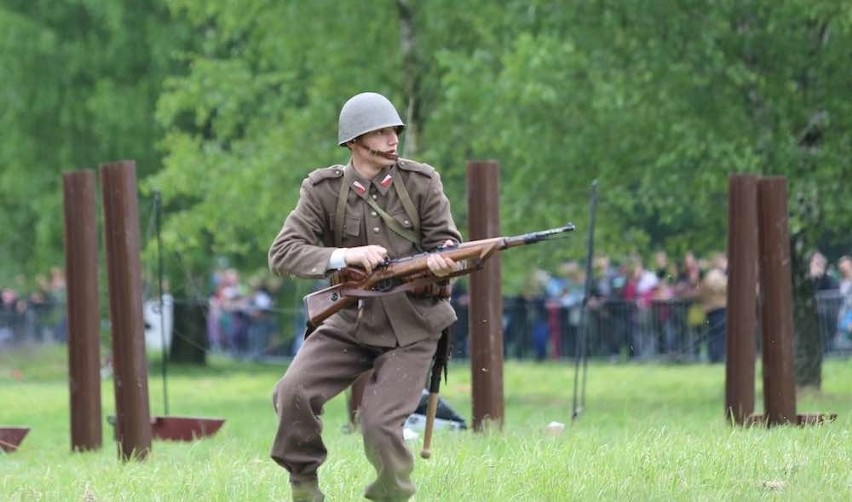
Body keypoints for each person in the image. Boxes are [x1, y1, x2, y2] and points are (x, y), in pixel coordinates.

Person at [267, 91, 461, 502]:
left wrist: (444, 262)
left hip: (414, 324)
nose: (393, 139)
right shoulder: (323, 190)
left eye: (395, 130)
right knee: (293, 393)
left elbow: (448, 243)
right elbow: (283, 253)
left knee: (378, 425)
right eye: (381, 132)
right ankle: (304, 487)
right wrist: (344, 255)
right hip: (351, 320)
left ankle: (391, 494)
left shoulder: (420, 182)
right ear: (354, 142)